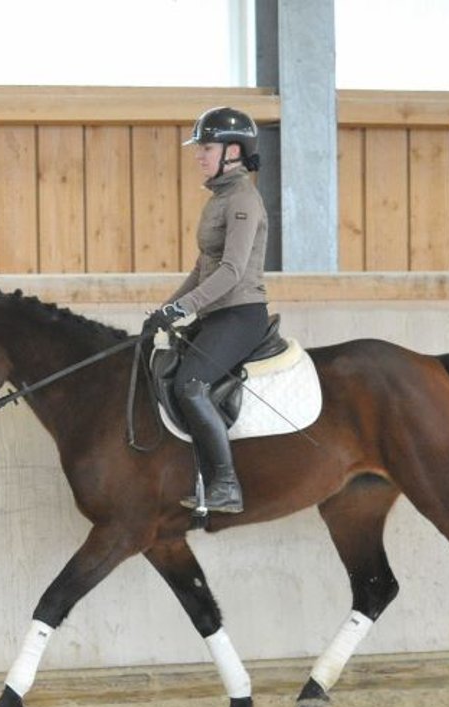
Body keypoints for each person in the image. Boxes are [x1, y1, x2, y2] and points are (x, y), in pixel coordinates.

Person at [142, 106, 270, 515]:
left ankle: (226, 486)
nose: (199, 155)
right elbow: (203, 267)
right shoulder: (219, 198)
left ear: (233, 151)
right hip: (215, 315)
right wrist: (165, 310)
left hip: (240, 314)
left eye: (207, 148)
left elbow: (232, 271)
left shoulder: (243, 200)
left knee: (190, 384)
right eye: (199, 148)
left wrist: (183, 307)